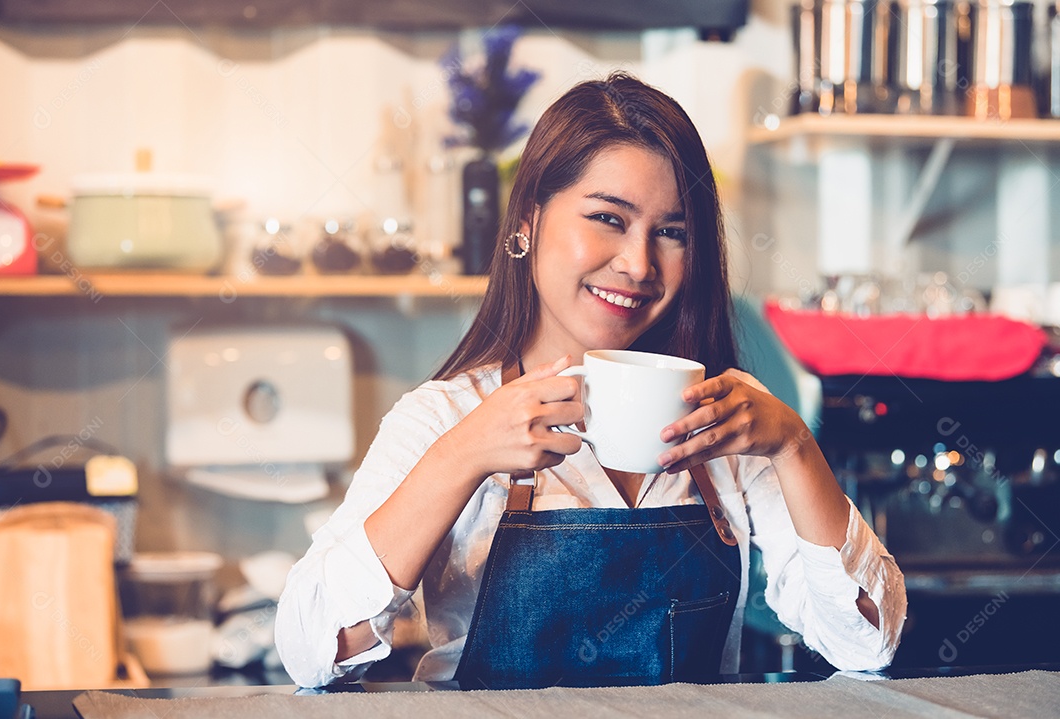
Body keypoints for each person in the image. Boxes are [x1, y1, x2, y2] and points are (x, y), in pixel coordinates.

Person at [275, 72, 906, 689]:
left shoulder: (729, 426)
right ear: (526, 221)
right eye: (609, 218)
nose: (638, 263)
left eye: (671, 233)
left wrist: (794, 446)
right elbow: (313, 653)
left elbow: (867, 644)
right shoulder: (442, 418)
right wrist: (462, 455)